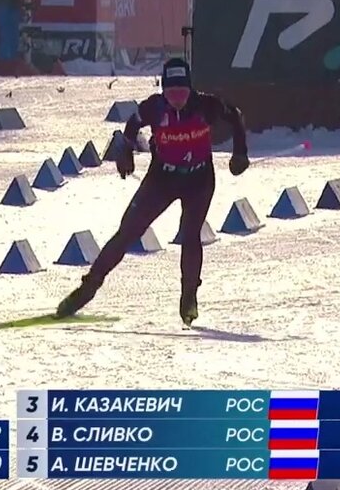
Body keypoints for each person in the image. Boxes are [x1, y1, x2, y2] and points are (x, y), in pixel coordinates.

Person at [55, 59, 250, 326]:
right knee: (127, 232)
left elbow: (236, 116)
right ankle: (87, 288)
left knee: (190, 235)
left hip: (199, 180)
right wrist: (125, 151)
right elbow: (132, 125)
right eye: (171, 93)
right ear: (163, 91)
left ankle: (189, 296)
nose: (177, 99)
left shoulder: (207, 105)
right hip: (162, 178)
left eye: (182, 92)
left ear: (190, 90)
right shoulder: (154, 107)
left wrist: (240, 153)